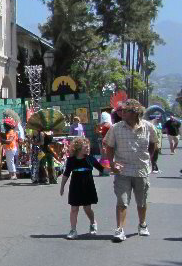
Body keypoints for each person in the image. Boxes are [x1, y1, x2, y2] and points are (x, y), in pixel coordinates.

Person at [103, 99, 157, 242]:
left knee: (142, 201)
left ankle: (142, 224)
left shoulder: (148, 127)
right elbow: (109, 146)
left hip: (141, 170)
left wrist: (148, 158)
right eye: (121, 111)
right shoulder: (115, 128)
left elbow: (153, 144)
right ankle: (120, 229)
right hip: (123, 171)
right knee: (122, 201)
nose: (121, 113)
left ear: (135, 112)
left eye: (125, 111)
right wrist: (112, 163)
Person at [59, 137, 104, 240]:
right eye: (86, 147)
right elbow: (66, 174)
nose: (88, 149)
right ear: (78, 148)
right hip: (75, 185)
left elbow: (102, 169)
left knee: (87, 208)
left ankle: (93, 222)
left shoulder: (90, 158)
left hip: (87, 184)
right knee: (74, 208)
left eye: (88, 147)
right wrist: (62, 187)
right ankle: (73, 230)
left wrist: (114, 169)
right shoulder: (71, 160)